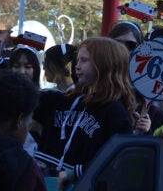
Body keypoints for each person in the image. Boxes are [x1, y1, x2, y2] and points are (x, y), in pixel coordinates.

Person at [35, 37, 134, 187]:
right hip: (46, 181)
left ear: (104, 64)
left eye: (84, 60)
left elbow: (119, 159)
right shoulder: (65, 100)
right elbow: (22, 98)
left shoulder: (115, 112)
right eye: (77, 60)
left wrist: (75, 173)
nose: (77, 66)